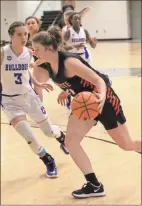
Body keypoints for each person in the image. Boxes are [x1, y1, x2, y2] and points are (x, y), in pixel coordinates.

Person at [31, 26, 141, 198]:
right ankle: (94, 185)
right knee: (71, 142)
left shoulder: (69, 62)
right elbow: (54, 80)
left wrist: (103, 96)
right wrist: (67, 90)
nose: (33, 51)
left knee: (127, 145)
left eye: (36, 48)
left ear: (50, 48)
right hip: (85, 103)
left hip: (103, 100)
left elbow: (99, 79)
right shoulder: (46, 63)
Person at [0, 22, 69, 178]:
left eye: (25, 34)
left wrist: (37, 83)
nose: (24, 37)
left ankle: (61, 136)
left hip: (29, 97)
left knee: (49, 132)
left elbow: (25, 71)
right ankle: (47, 159)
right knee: (28, 135)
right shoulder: (3, 53)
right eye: (19, 34)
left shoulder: (29, 53)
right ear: (11, 36)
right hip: (10, 101)